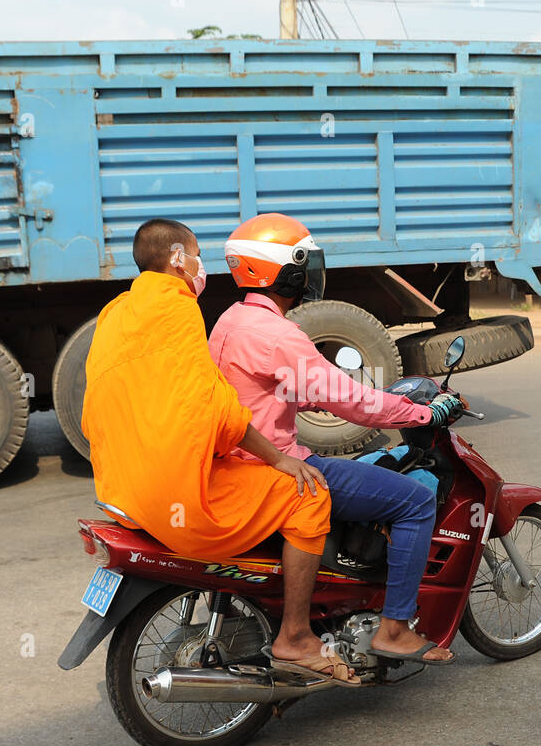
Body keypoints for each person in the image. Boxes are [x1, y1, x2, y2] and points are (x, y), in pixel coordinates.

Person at [81, 217, 361, 686]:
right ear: (178, 259)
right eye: (196, 256)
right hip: (173, 492)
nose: (200, 266)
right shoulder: (177, 309)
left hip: (122, 488)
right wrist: (277, 457)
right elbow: (215, 411)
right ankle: (295, 635)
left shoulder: (117, 312)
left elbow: (105, 405)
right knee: (309, 494)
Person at [209, 213, 463, 664]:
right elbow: (356, 405)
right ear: (288, 270)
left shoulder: (230, 321)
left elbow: (260, 394)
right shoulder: (279, 335)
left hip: (236, 459)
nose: (311, 275)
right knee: (415, 502)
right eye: (305, 263)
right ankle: (395, 628)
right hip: (275, 465)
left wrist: (316, 401)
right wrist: (422, 410)